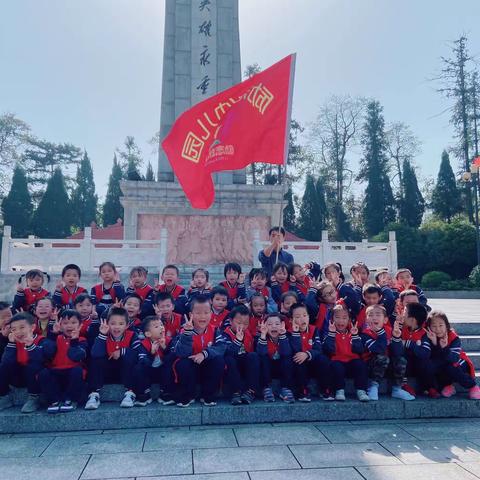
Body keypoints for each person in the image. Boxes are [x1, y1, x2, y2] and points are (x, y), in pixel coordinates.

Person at [172, 295, 226, 407]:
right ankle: (188, 395)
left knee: (219, 361)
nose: (203, 316)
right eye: (198, 313)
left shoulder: (215, 330)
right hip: (190, 368)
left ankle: (207, 395)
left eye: (206, 313)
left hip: (207, 367)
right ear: (191, 315)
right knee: (182, 364)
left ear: (211, 314)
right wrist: (187, 335)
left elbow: (221, 347)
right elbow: (180, 353)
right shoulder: (184, 331)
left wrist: (204, 354)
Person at [85, 307, 140, 410]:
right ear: (107, 324)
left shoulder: (132, 335)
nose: (116, 327)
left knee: (129, 358)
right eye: (113, 323)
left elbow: (138, 354)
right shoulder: (103, 335)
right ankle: (94, 394)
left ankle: (130, 393)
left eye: (121, 324)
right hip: (107, 373)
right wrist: (102, 335)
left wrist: (122, 352)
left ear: (127, 325)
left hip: (125, 373)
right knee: (96, 360)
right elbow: (95, 354)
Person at [360, 304, 414, 401]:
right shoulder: (365, 334)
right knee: (382, 358)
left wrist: (396, 338)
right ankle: (373, 387)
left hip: (387, 365)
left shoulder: (390, 330)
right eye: (370, 315)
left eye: (377, 315)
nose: (374, 317)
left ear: (385, 320)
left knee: (401, 360)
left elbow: (398, 353)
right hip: (371, 366)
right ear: (366, 319)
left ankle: (397, 389)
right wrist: (381, 332)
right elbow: (379, 349)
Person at [40, 310, 87, 413]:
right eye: (65, 323)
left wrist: (74, 341)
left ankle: (70, 399)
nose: (69, 326)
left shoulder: (82, 340)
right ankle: (54, 401)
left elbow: (76, 356)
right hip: (56, 371)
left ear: (80, 325)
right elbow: (47, 352)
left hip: (73, 373)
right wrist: (53, 335)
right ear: (60, 326)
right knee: (43, 373)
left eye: (73, 323)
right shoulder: (54, 338)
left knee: (77, 371)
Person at [426, 310, 480, 399]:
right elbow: (435, 358)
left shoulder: (453, 337)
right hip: (445, 363)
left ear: (446, 325)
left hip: (459, 362)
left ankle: (472, 386)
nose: (438, 329)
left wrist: (444, 348)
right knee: (433, 365)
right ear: (429, 327)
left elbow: (454, 358)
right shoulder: (430, 337)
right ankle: (447, 385)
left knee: (451, 367)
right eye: (434, 326)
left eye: (441, 325)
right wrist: (435, 344)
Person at [323, 303, 369, 402]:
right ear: (332, 320)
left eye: (344, 318)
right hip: (337, 360)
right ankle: (339, 390)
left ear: (349, 320)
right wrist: (331, 334)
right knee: (336, 367)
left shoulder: (352, 333)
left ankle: (361, 390)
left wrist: (355, 336)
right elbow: (329, 349)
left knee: (360, 365)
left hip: (351, 361)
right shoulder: (330, 334)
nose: (341, 321)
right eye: (337, 317)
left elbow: (359, 350)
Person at [0, 312, 45, 413]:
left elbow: (40, 360)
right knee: (3, 365)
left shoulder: (41, 340)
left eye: (22, 327)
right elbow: (6, 362)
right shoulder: (13, 343)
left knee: (31, 364)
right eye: (14, 329)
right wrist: (11, 344)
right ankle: (4, 396)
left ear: (32, 327)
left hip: (36, 378)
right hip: (18, 378)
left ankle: (34, 398)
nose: (18, 332)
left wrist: (30, 345)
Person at [289, 303, 332, 401]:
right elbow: (294, 350)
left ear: (308, 317)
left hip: (312, 362)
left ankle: (325, 388)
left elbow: (318, 349)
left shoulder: (313, 329)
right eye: (298, 317)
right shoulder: (289, 332)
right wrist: (295, 333)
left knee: (323, 359)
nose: (302, 319)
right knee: (297, 360)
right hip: (299, 365)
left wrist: (307, 354)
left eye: (305, 315)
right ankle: (302, 390)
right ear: (291, 320)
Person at [133, 315, 175, 406]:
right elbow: (143, 361)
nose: (161, 328)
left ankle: (165, 393)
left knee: (168, 366)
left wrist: (164, 348)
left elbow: (172, 359)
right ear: (148, 334)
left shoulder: (169, 341)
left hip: (163, 373)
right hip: (149, 373)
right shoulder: (143, 344)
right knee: (139, 367)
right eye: (156, 326)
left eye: (161, 325)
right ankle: (144, 394)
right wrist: (151, 353)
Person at [222, 305, 259, 405]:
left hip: (244, 364)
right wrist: (237, 341)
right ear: (230, 321)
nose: (242, 326)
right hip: (232, 366)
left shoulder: (248, 333)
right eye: (239, 323)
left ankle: (251, 391)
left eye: (246, 323)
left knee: (253, 356)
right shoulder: (225, 334)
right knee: (229, 359)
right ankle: (235, 392)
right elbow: (227, 352)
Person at [256, 313, 295, 403]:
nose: (273, 326)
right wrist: (262, 335)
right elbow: (261, 353)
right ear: (264, 325)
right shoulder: (261, 337)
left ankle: (285, 388)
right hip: (268, 369)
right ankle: (266, 388)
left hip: (282, 368)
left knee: (287, 357)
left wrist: (282, 335)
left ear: (282, 325)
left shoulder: (287, 336)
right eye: (269, 324)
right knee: (263, 357)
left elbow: (286, 352)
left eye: (277, 324)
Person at [401, 302, 436, 397]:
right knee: (402, 358)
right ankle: (404, 385)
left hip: (418, 365)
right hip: (406, 366)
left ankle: (429, 387)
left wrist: (409, 344)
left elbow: (425, 353)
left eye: (404, 313)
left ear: (412, 320)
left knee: (425, 362)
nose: (402, 315)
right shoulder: (401, 329)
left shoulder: (424, 334)